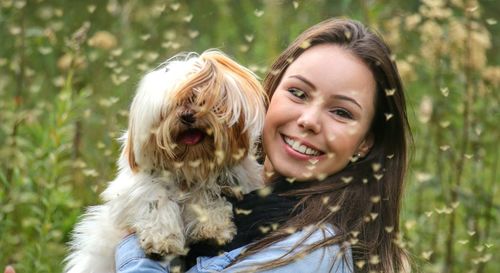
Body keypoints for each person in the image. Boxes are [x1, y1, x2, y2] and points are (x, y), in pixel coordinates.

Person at [4, 17, 411, 273]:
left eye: (342, 112)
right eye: (299, 93)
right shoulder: (255, 202)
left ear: (366, 143)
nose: (308, 120)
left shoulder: (315, 252)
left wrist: (137, 239)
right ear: (266, 96)